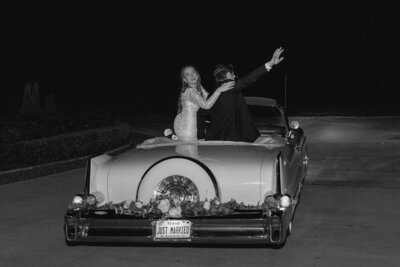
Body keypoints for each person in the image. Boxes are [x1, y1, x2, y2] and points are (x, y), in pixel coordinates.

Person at [204, 47, 284, 142]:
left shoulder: (213, 92)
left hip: (216, 138)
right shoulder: (227, 85)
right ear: (229, 74)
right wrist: (270, 64)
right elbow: (248, 79)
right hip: (231, 139)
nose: (234, 77)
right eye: (233, 74)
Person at [173, 65, 234, 141]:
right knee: (190, 151)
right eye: (187, 74)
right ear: (185, 80)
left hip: (183, 124)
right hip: (187, 129)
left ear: (197, 74)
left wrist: (221, 87)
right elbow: (206, 105)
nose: (192, 75)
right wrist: (219, 90)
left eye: (193, 72)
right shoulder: (190, 91)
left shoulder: (196, 88)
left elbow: (208, 97)